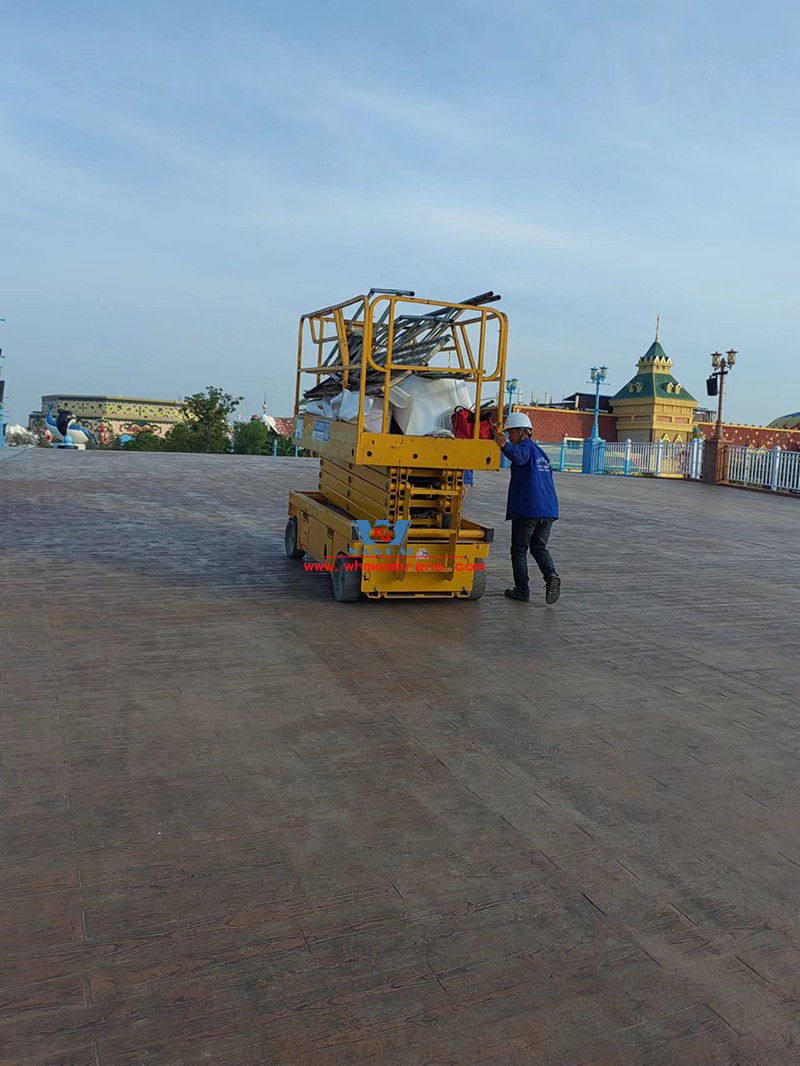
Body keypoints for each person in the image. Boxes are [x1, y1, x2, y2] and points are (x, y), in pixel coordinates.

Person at [494, 412, 561, 604]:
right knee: (539, 547)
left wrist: (504, 446)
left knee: (519, 549)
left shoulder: (524, 448)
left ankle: (522, 590)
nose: (509, 437)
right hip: (548, 510)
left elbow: (519, 457)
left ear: (521, 432)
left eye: (511, 433)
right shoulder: (541, 453)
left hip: (529, 509)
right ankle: (551, 575)